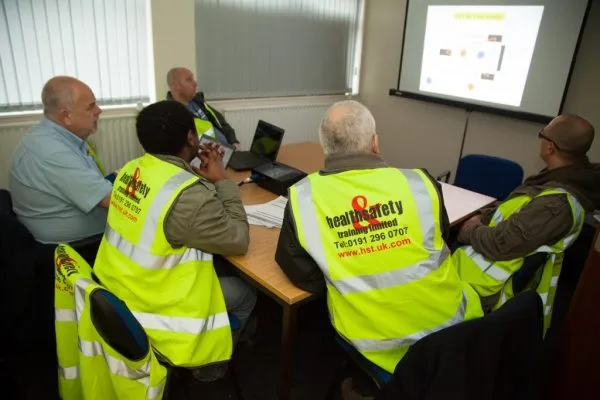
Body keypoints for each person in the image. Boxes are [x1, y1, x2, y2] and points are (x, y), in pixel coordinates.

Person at [275, 100, 483, 374]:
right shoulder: (420, 183)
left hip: (378, 347)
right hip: (458, 330)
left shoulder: (304, 196)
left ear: (325, 148)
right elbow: (440, 240)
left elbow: (299, 271)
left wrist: (345, 271)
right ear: (375, 142)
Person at [93, 100, 256, 379]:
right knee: (246, 293)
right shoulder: (188, 196)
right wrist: (223, 181)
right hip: (159, 309)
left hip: (118, 288)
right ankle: (209, 367)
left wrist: (195, 175)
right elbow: (238, 239)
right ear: (191, 137)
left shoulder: (130, 170)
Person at [453, 114, 600, 327]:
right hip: (478, 261)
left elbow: (500, 244)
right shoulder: (559, 177)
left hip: (484, 287)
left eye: (542, 133)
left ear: (550, 146)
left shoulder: (555, 204)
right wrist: (484, 215)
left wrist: (471, 229)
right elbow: (513, 208)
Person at [9, 76, 112, 244]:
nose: (98, 110)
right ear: (66, 116)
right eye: (90, 106)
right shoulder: (53, 152)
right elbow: (113, 201)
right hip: (76, 246)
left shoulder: (54, 136)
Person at [166, 67, 240, 148]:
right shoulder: (172, 114)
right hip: (212, 153)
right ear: (175, 86)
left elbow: (221, 122)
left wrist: (233, 141)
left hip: (227, 148)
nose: (195, 83)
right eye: (189, 80)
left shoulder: (198, 101)